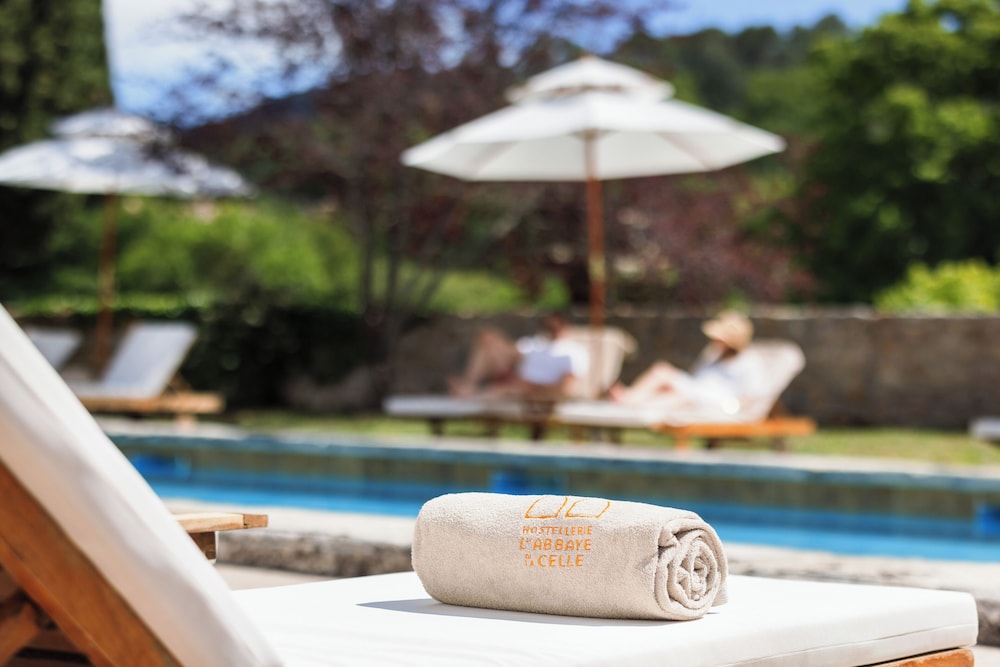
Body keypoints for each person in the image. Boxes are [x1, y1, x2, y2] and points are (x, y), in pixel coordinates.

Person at [608, 310, 761, 413]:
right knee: (673, 394)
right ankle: (631, 403)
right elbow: (697, 379)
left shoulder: (748, 363)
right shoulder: (713, 354)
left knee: (663, 373)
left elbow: (752, 395)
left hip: (715, 402)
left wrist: (731, 409)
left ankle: (628, 400)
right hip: (698, 393)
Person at [448, 312, 589, 400]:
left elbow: (566, 387)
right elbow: (512, 353)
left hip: (537, 391)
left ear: (565, 326)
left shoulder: (574, 352)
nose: (552, 329)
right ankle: (468, 387)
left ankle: (467, 391)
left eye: (555, 326)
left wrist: (532, 387)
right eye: (548, 326)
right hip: (516, 378)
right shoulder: (535, 343)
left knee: (501, 391)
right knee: (487, 339)